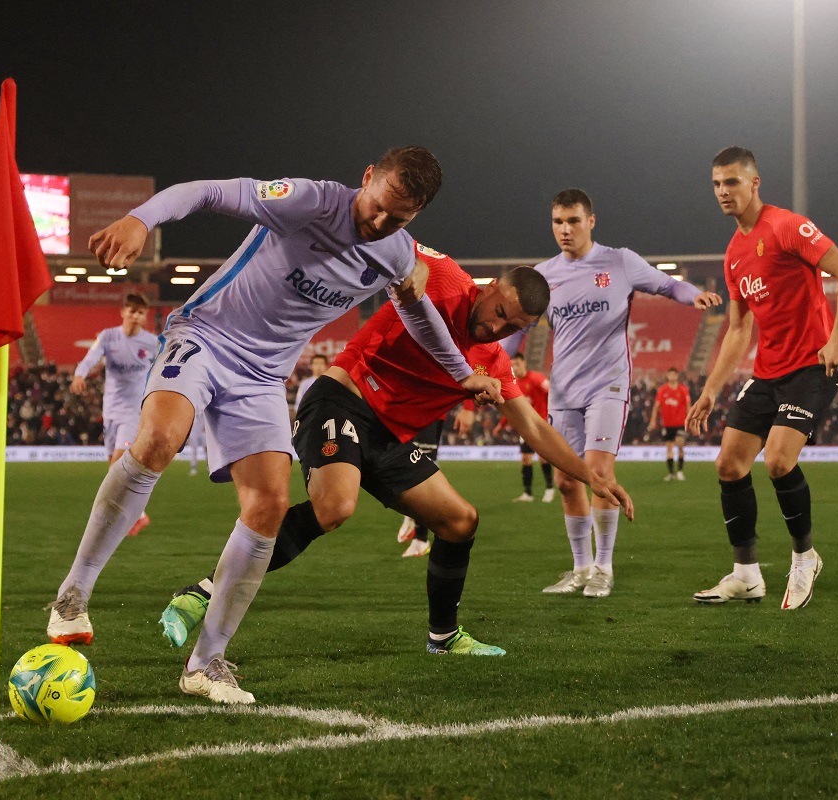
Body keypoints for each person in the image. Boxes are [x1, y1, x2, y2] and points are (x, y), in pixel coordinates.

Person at [45, 147, 505, 705]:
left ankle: (205, 664)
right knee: (160, 440)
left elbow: (418, 312)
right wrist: (141, 219)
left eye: (399, 217)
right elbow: (206, 191)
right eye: (380, 204)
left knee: (268, 506)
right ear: (367, 177)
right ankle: (73, 594)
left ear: (416, 216)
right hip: (205, 338)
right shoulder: (308, 201)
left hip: (264, 379)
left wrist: (462, 373)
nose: (380, 221)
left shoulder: (395, 251)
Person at [158, 246, 634, 670]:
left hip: (389, 438)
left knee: (460, 521)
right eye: (499, 313)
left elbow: (533, 426)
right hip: (342, 400)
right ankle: (201, 593)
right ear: (491, 287)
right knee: (335, 506)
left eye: (513, 327)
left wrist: (591, 476)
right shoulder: (445, 276)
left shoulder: (493, 361)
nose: (496, 328)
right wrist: (410, 264)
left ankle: (444, 637)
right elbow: (390, 242)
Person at [505, 188, 721, 599]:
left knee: (599, 474)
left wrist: (694, 295)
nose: (565, 229)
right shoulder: (542, 276)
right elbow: (515, 330)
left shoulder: (619, 261)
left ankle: (603, 567)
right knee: (566, 480)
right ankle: (581, 568)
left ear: (591, 221)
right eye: (557, 222)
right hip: (563, 391)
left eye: (573, 221)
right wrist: (490, 364)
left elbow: (667, 285)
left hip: (608, 384)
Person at [686, 146, 838, 610]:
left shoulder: (786, 226)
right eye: (716, 184)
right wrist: (710, 389)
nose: (723, 191)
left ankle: (805, 558)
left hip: (815, 362)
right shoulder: (733, 254)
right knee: (729, 465)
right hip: (769, 370)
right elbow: (739, 329)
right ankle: (746, 575)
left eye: (731, 182)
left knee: (779, 461)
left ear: (754, 182)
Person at [70, 293, 160, 534]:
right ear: (123, 312)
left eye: (140, 312)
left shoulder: (152, 343)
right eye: (132, 311)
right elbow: (90, 358)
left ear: (145, 316)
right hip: (110, 409)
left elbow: (163, 368)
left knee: (119, 464)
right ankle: (136, 513)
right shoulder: (108, 337)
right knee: (113, 465)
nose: (135, 316)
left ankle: (133, 515)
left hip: (134, 411)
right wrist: (79, 375)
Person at [503, 352, 555, 502]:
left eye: (517, 364)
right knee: (526, 458)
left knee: (543, 457)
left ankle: (549, 488)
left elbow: (552, 393)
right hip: (525, 425)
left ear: (524, 363)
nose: (515, 367)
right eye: (512, 365)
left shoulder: (537, 378)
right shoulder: (513, 384)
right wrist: (502, 424)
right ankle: (528, 493)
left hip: (541, 423)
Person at [394, 418, 448, 557]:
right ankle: (414, 523)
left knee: (421, 466)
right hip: (416, 411)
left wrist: (468, 408)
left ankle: (420, 537)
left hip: (427, 411)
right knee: (415, 461)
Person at [648, 367, 691, 481]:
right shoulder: (662, 390)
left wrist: (690, 419)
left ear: (677, 376)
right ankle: (671, 473)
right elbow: (656, 406)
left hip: (680, 423)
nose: (672, 376)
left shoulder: (683, 389)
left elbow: (688, 406)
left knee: (680, 444)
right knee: (669, 448)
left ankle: (680, 471)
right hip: (668, 424)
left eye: (674, 374)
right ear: (667, 376)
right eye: (670, 374)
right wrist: (653, 420)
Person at [293, 353, 328, 417]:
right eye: (316, 363)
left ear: (326, 366)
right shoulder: (305, 384)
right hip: (309, 416)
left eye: (321, 363)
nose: (318, 366)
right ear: (311, 366)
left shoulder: (331, 383)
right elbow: (298, 404)